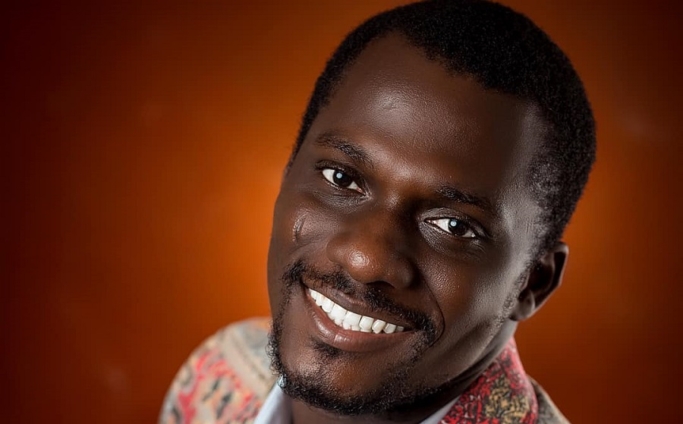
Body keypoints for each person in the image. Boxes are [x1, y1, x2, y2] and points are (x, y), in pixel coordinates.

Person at [159, 0, 595, 422]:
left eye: (454, 225)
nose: (365, 259)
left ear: (532, 283)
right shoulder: (219, 374)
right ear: (290, 170)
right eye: (341, 178)